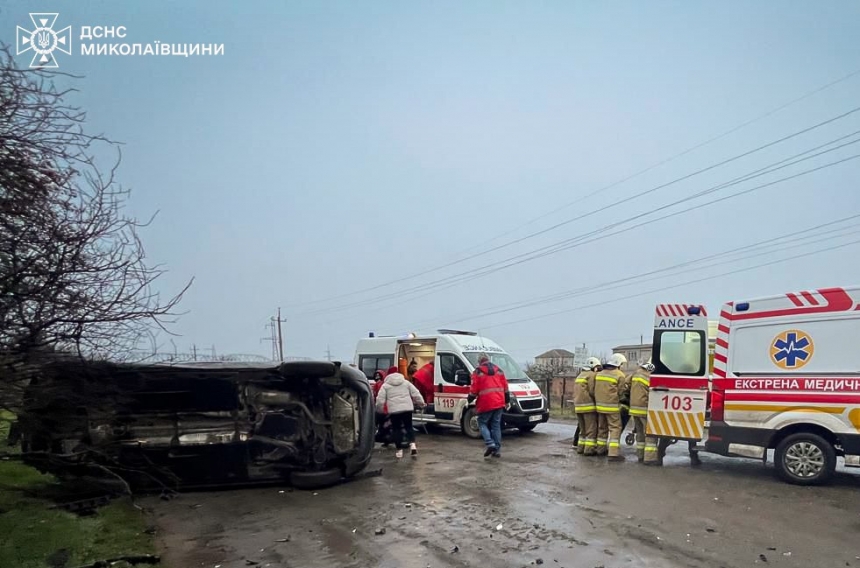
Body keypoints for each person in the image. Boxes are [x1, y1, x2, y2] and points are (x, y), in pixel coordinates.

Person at [467, 353, 510, 458]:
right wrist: (507, 400)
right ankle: (497, 450)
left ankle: (490, 443)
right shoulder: (499, 370)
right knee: (496, 426)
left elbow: (474, 390)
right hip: (499, 402)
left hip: (485, 403)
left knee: (482, 423)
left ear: (479, 361)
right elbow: (506, 387)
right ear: (488, 359)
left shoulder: (477, 372)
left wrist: (469, 399)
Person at [375, 372, 425, 458]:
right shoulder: (406, 383)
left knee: (396, 429)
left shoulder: (385, 386)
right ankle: (412, 445)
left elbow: (380, 400)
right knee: (408, 427)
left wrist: (379, 410)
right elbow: (416, 393)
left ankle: (399, 451)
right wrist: (421, 403)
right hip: (407, 409)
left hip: (394, 411)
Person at [594, 353, 627, 460]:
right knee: (615, 429)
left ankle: (600, 450)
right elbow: (622, 392)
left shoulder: (600, 374)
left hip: (599, 407)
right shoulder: (619, 375)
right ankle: (613, 453)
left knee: (602, 428)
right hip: (612, 407)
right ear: (618, 363)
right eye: (621, 364)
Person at [573, 357, 601, 455]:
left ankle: (580, 448)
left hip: (578, 406)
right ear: (594, 367)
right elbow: (593, 391)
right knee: (591, 430)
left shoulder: (580, 375)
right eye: (597, 367)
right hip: (588, 406)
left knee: (583, 430)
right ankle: (589, 450)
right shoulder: (592, 375)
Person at [628, 361, 655, 463]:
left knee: (639, 433)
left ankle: (640, 455)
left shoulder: (635, 374)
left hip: (634, 409)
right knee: (649, 433)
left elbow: (627, 384)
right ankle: (649, 458)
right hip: (644, 408)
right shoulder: (648, 377)